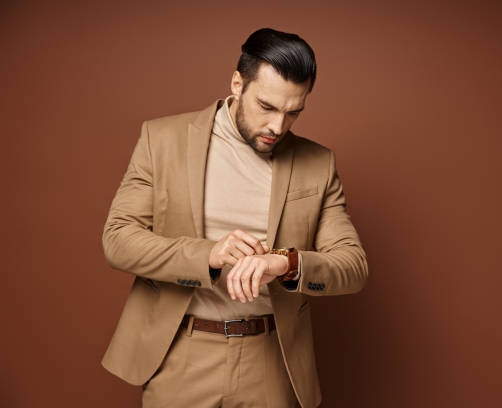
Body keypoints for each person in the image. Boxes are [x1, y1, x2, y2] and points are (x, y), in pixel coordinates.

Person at [101, 28, 368, 408]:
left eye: (293, 112)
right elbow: (118, 239)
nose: (278, 126)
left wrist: (286, 262)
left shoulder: (318, 164)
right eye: (267, 107)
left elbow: (353, 266)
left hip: (272, 360)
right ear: (237, 83)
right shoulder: (162, 140)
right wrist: (208, 255)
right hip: (181, 355)